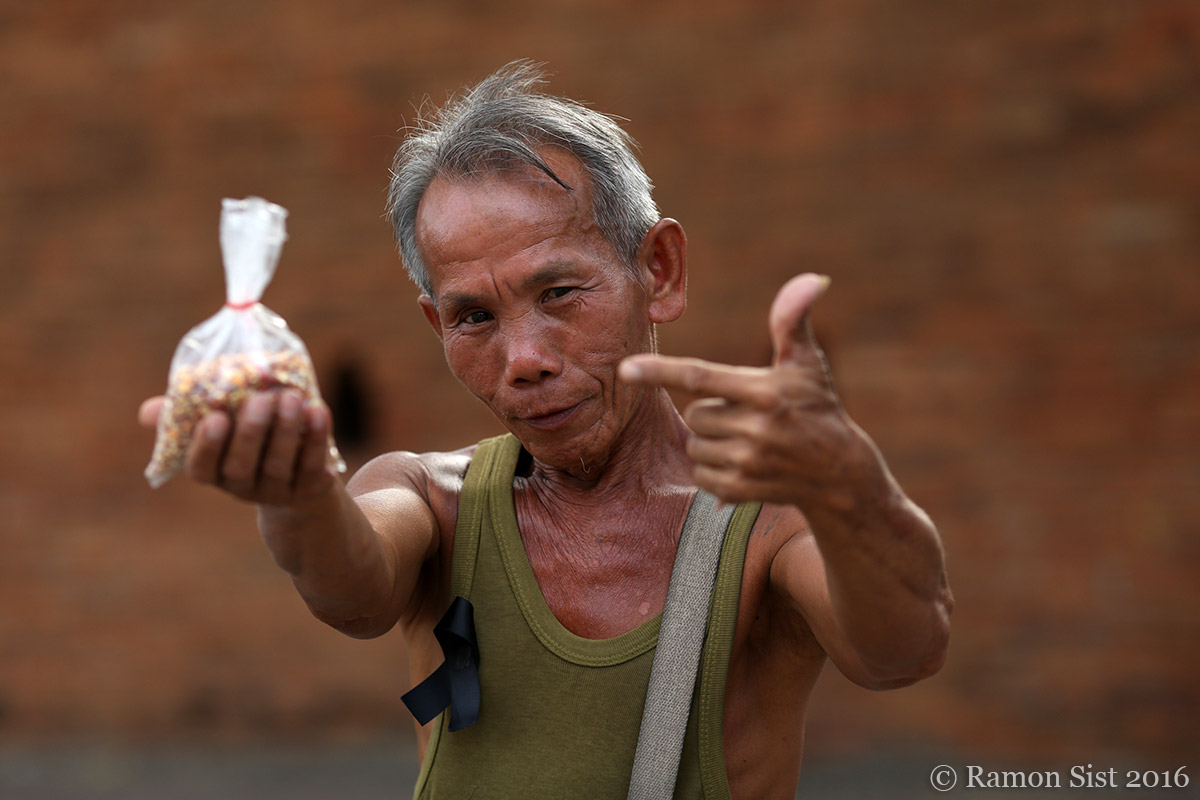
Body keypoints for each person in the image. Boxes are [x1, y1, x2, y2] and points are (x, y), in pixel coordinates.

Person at [139, 61, 953, 799]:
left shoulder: (770, 519)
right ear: (436, 326)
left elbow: (902, 650)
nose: (523, 359)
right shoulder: (429, 497)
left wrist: (856, 492)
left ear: (657, 272)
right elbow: (349, 588)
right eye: (473, 316)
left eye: (561, 292)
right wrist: (298, 495)